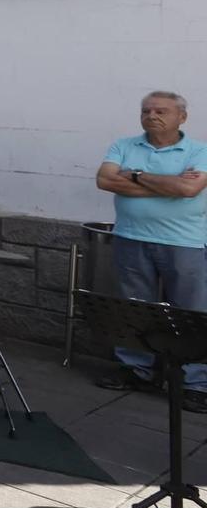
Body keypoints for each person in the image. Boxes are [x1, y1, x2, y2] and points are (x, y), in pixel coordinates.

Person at [94, 91, 207, 408]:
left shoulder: (199, 151)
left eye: (161, 111)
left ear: (181, 117)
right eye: (146, 111)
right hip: (131, 237)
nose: (152, 116)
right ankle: (137, 369)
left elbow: (189, 189)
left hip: (184, 242)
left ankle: (196, 381)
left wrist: (135, 175)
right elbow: (105, 181)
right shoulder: (124, 145)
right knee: (134, 307)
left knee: (191, 312)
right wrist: (167, 185)